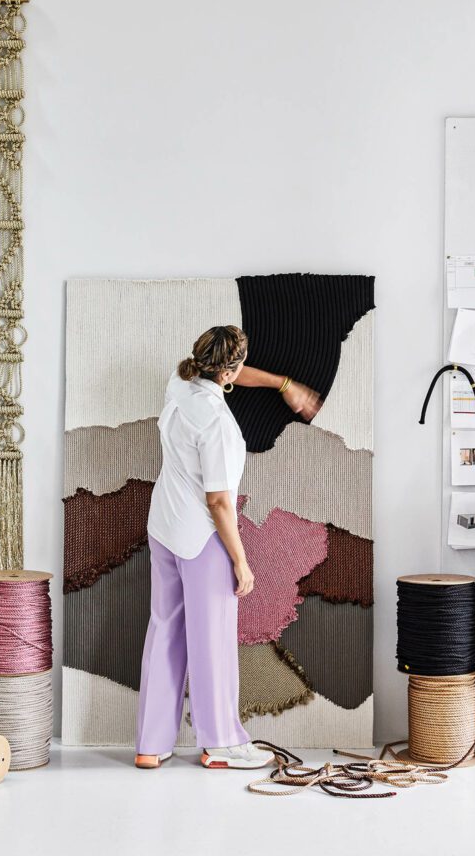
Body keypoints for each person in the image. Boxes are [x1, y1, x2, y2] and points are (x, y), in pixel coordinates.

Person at [135, 325, 321, 769]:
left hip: (164, 527)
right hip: (202, 537)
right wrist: (242, 562)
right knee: (213, 639)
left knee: (165, 631)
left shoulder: (179, 384)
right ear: (229, 371)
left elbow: (231, 374)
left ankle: (150, 744)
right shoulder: (217, 423)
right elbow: (219, 503)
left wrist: (282, 384)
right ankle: (220, 743)